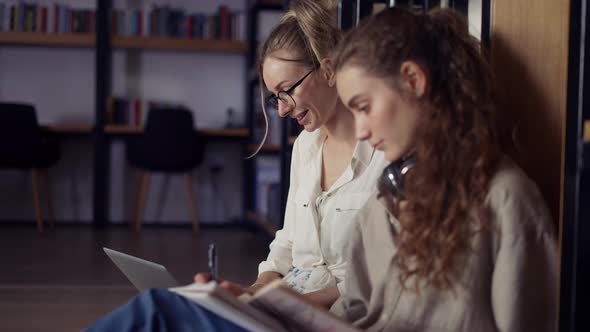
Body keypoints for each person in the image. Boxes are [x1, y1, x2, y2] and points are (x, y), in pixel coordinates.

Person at [86, 1, 386, 330]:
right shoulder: (305, 148)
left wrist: (292, 302)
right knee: (165, 305)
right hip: (284, 306)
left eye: (286, 92)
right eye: (276, 98)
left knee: (158, 309)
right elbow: (285, 244)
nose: (282, 111)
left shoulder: (385, 154)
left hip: (327, 317)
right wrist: (253, 292)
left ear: (328, 71)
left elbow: (385, 275)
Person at [330, 7, 557, 332]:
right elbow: (352, 310)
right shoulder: (378, 206)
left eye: (364, 108)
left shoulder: (506, 199)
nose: (361, 131)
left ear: (412, 79)